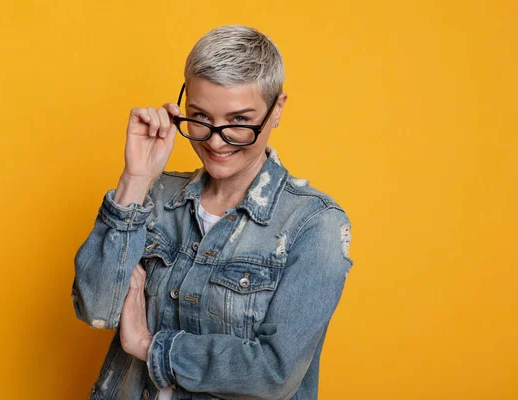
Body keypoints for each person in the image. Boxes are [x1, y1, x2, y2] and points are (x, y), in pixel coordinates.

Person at [71, 24, 354, 400]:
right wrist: (135, 178)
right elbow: (95, 307)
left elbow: (273, 373)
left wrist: (149, 344)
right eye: (200, 117)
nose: (216, 140)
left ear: (277, 109)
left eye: (239, 121)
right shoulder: (155, 196)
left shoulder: (314, 224)